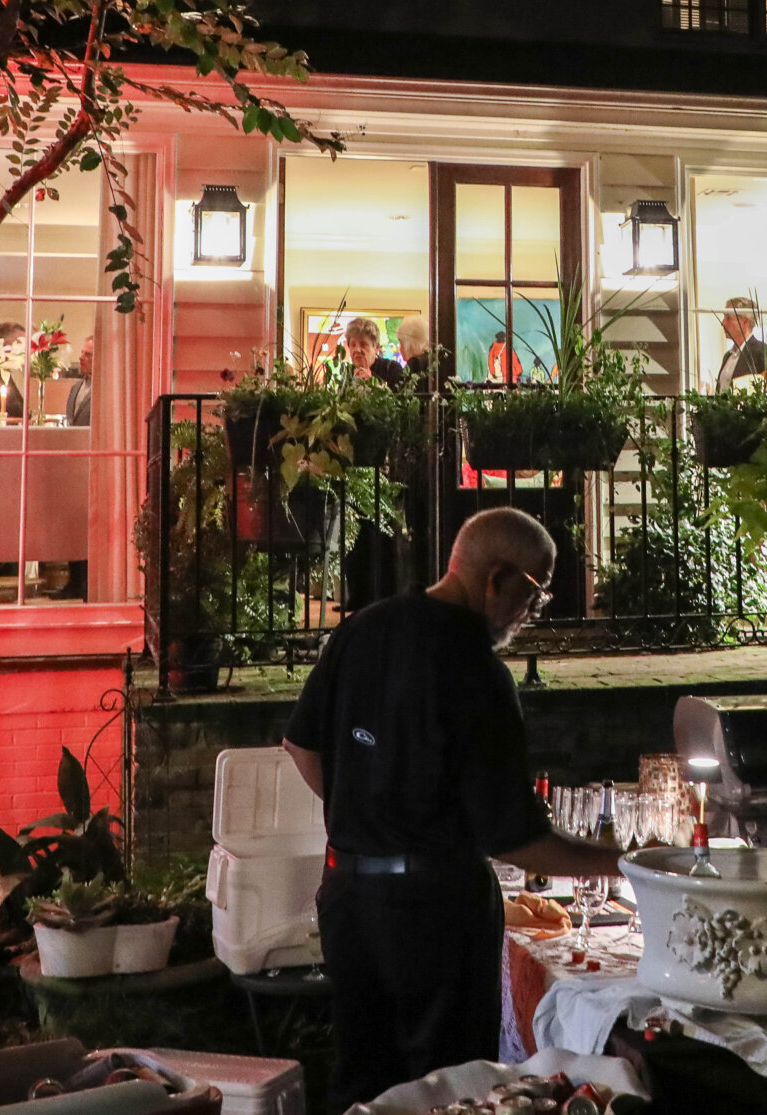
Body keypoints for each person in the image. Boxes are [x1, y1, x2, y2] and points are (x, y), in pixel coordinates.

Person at [283, 508, 624, 1109]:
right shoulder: (478, 672)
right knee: (449, 1087)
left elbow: (299, 744)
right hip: (434, 911)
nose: (533, 610)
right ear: (497, 578)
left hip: (349, 897)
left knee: (363, 1077)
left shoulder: (362, 628)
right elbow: (515, 839)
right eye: (535, 592)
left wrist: (366, 815)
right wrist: (626, 864)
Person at [713, 297, 767, 392]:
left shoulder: (764, 352)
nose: (723, 323)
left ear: (745, 321)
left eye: (728, 318)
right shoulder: (728, 356)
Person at [342, 315, 405, 387]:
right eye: (353, 345)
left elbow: (400, 394)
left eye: (363, 345)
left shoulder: (391, 369)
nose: (357, 350)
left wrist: (373, 384)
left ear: (376, 348)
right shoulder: (347, 374)